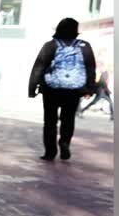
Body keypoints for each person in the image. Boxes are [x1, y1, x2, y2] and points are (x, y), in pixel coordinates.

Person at [29, 17, 97, 160]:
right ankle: (65, 142)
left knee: (50, 121)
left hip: (51, 89)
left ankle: (50, 152)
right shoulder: (85, 46)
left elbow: (39, 67)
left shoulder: (50, 45)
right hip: (74, 90)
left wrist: (32, 87)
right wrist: (90, 88)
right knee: (68, 119)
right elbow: (90, 68)